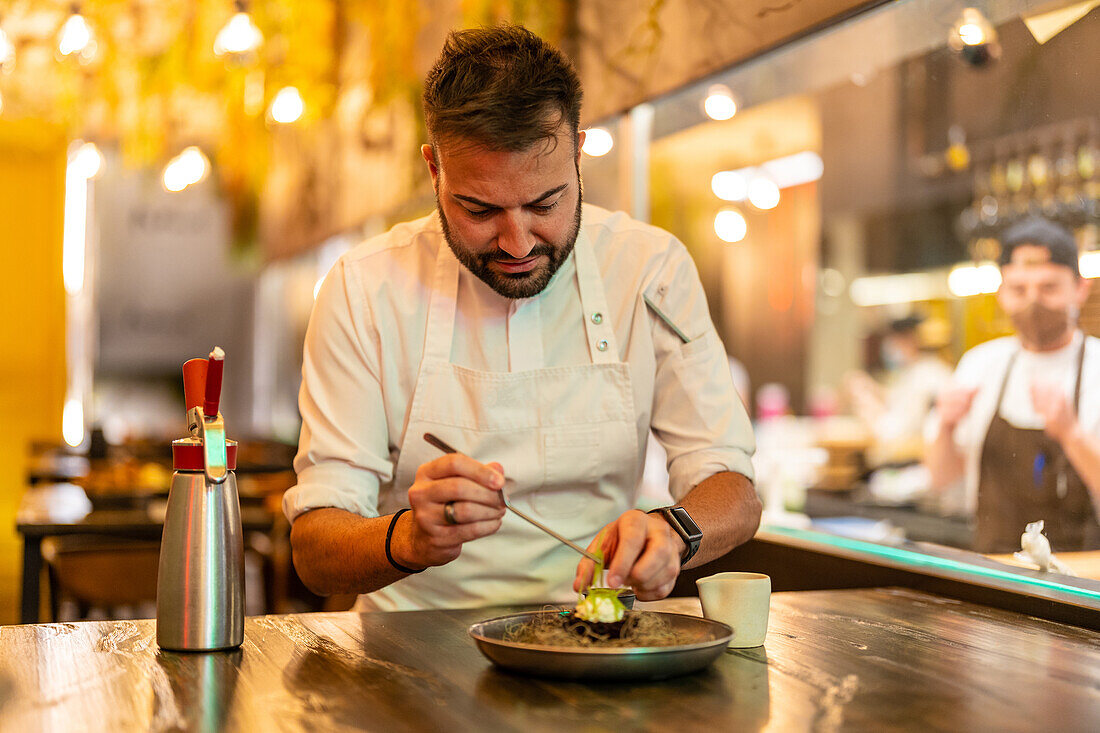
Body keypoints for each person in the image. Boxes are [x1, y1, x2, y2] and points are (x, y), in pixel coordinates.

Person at [283, 25, 760, 611]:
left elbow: (734, 491)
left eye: (545, 203)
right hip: (409, 661)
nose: (516, 242)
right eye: (480, 209)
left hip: (595, 641)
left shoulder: (649, 269)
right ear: (434, 168)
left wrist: (673, 532)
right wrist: (409, 536)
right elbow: (314, 550)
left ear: (578, 151)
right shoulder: (363, 287)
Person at [925, 217, 1100, 554]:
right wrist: (945, 425)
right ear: (1001, 294)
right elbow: (939, 479)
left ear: (1080, 289)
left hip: (1083, 585)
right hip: (996, 573)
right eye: (1019, 289)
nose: (1033, 301)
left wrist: (1071, 433)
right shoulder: (980, 365)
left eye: (1048, 288)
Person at [846, 314, 953, 465]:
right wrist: (873, 390)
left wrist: (869, 409)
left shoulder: (927, 377)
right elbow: (897, 400)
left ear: (909, 340)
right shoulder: (915, 372)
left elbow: (897, 432)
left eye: (893, 341)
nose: (889, 347)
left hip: (914, 464)